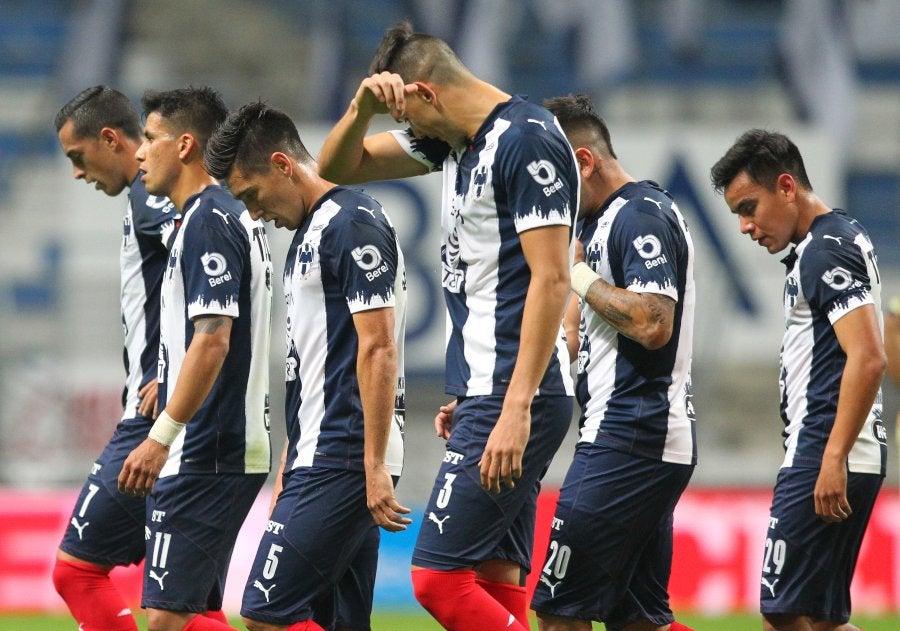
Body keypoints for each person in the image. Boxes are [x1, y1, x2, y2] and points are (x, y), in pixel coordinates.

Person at [318, 21, 578, 631]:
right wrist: (360, 107)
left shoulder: (526, 140)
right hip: (487, 391)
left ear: (427, 96)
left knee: (436, 578)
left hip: (517, 395)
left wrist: (514, 408)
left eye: (409, 117)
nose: (409, 133)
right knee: (495, 580)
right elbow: (338, 167)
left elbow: (552, 280)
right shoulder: (456, 143)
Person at [203, 101, 411, 631]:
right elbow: (312, 362)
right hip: (320, 453)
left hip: (344, 455)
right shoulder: (308, 236)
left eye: (251, 195)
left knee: (265, 613)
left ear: (282, 164)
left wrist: (372, 464)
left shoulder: (351, 222)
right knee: (339, 620)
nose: (253, 214)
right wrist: (291, 460)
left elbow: (379, 346)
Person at [529, 94, 697, 631]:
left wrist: (577, 278)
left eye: (551, 177)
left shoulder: (638, 215)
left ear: (583, 161)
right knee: (639, 620)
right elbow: (579, 337)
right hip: (633, 435)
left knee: (558, 613)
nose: (546, 195)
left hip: (631, 434)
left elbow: (653, 322)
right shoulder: (599, 226)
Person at [710, 129, 886, 631]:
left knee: (783, 612)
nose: (745, 226)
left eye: (750, 207)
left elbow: (869, 357)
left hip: (827, 447)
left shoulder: (824, 251)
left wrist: (831, 458)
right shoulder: (838, 235)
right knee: (817, 617)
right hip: (844, 447)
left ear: (787, 187)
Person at [117, 87, 273, 631]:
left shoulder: (209, 218)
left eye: (151, 138)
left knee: (164, 618)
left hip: (208, 447)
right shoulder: (216, 216)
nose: (139, 152)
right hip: (221, 442)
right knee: (195, 612)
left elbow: (213, 338)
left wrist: (160, 437)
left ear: (185, 145)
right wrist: (174, 374)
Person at [51, 85, 180, 631]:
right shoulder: (148, 201)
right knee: (178, 604)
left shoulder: (154, 201)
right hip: (175, 413)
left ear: (111, 139)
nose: (78, 174)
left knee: (76, 572)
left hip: (155, 418)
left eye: (79, 158)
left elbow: (218, 280)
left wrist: (170, 371)